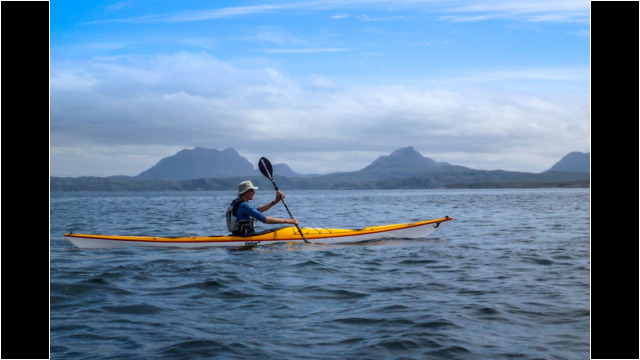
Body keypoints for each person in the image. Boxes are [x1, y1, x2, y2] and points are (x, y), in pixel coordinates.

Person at [226, 180, 299, 236]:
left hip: (239, 234)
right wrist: (288, 221)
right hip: (245, 236)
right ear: (245, 193)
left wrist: (275, 201)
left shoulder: (239, 203)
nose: (254, 192)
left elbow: (258, 210)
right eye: (252, 190)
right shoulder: (244, 205)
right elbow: (264, 219)